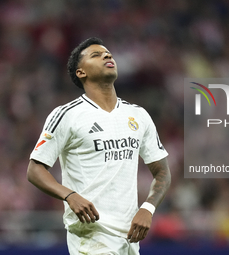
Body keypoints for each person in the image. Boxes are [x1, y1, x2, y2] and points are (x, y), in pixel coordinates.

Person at [27, 37, 171, 255]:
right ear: (81, 72)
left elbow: (162, 173)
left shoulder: (138, 115)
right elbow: (35, 169)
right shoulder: (67, 115)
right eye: (96, 55)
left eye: (108, 53)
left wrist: (147, 209)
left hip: (130, 239)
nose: (107, 55)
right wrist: (69, 195)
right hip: (91, 237)